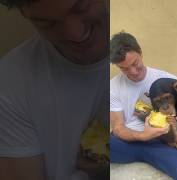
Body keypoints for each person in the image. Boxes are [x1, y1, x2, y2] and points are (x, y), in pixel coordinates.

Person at [0, 0, 108, 179]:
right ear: (25, 15)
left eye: (81, 7)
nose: (75, 34)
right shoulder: (9, 82)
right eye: (48, 23)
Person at [109, 31, 177, 180]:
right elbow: (118, 128)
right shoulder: (113, 87)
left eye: (135, 64)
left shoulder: (163, 78)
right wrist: (142, 136)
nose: (133, 72)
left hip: (159, 142)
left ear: (140, 53)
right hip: (128, 141)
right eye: (124, 68)